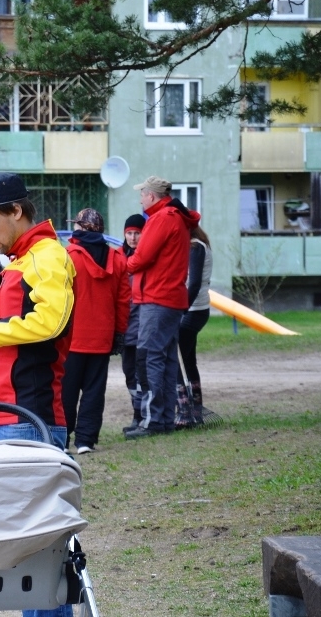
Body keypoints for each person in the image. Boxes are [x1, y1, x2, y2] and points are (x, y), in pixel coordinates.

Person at [0, 173, 75, 617]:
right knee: (22, 543)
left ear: (16, 212)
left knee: (40, 544)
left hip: (33, 412)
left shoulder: (47, 256)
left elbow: (51, 323)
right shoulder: (22, 259)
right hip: (7, 412)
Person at [124, 176, 201, 439]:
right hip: (170, 297)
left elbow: (142, 258)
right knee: (166, 359)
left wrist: (125, 264)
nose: (140, 199)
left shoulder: (161, 218)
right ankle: (165, 419)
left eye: (142, 194)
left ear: (152, 196)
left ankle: (152, 420)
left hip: (157, 298)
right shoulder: (175, 217)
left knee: (149, 359)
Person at [62, 209, 129, 455]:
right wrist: (119, 333)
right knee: (94, 390)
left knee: (66, 390)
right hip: (103, 335)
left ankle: (62, 438)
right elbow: (124, 301)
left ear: (81, 228)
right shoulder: (118, 259)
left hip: (71, 336)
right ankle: (86, 440)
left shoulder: (67, 257)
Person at [176, 223, 213, 428]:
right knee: (189, 360)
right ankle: (196, 411)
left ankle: (184, 410)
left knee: (172, 355)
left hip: (193, 311)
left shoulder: (195, 247)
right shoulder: (196, 245)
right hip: (195, 310)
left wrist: (182, 308)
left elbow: (195, 282)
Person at [119, 214, 148, 433]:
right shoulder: (119, 257)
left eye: (137, 232)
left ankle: (143, 416)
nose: (133, 237)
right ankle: (136, 414)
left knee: (142, 373)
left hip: (142, 323)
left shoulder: (146, 257)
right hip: (124, 325)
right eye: (129, 233)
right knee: (129, 372)